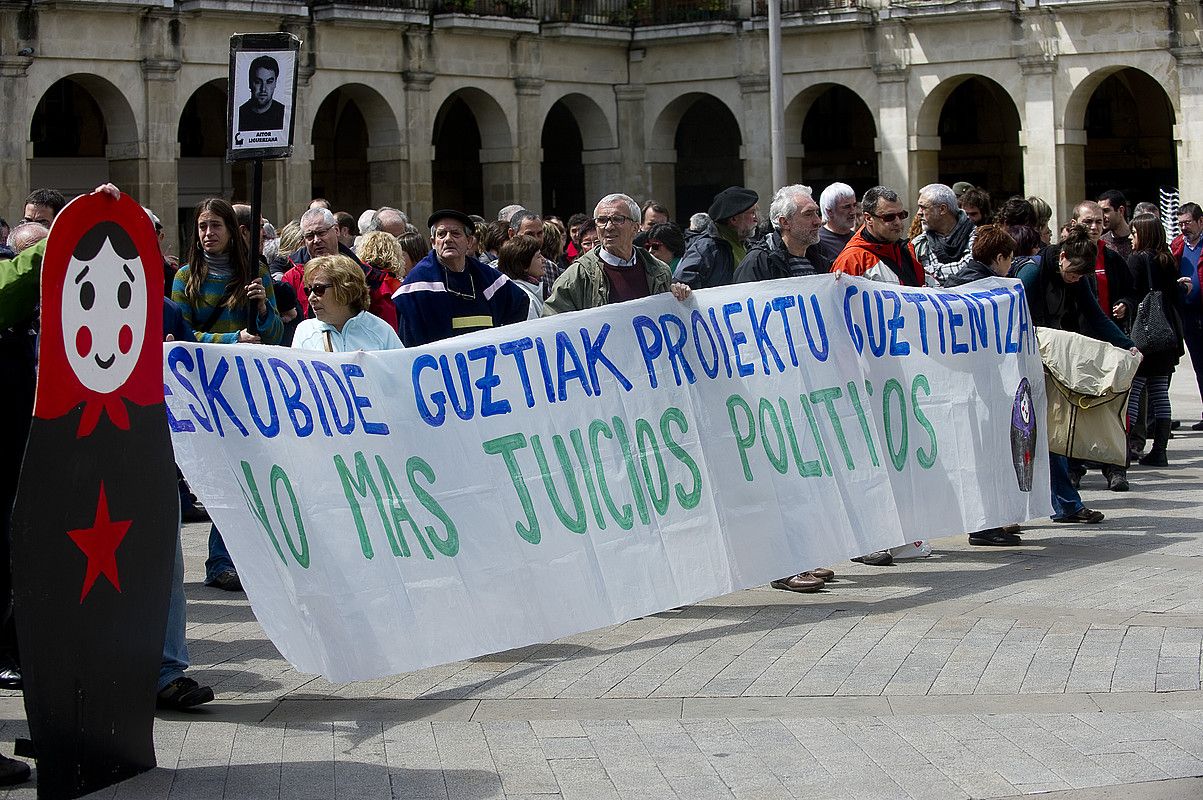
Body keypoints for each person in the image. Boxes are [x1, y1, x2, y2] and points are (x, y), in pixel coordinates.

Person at [171, 198, 283, 592]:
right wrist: (232, 338)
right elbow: (180, 335)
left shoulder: (256, 273)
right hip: (205, 389)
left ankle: (237, 558)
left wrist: (262, 307)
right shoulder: (187, 277)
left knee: (244, 474)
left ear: (231, 231)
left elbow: (274, 336)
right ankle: (220, 560)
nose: (208, 234)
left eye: (215, 226)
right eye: (202, 226)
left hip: (245, 388)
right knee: (218, 475)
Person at [832, 186, 925, 566]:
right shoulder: (852, 261)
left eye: (901, 215)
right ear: (867, 219)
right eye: (889, 217)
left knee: (902, 456)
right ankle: (867, 539)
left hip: (902, 372)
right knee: (872, 460)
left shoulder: (904, 250)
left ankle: (903, 532)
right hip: (869, 374)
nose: (898, 222)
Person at [1020, 224, 1136, 522]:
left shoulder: (1077, 278)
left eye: (1081, 275)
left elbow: (1095, 315)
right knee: (1038, 434)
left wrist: (1127, 346)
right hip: (1025, 360)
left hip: (1050, 360)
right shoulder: (1032, 274)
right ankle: (1055, 506)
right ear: (1061, 257)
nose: (1075, 279)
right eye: (1072, 272)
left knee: (1053, 432)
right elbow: (1017, 321)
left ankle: (1066, 505)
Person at [394, 209, 530, 346]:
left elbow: (520, 302)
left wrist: (504, 342)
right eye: (441, 234)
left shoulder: (487, 278)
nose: (448, 239)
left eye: (455, 233)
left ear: (469, 242)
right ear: (433, 243)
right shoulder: (416, 285)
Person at [544, 193, 691, 314]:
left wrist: (678, 296)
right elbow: (553, 326)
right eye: (601, 220)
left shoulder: (659, 271)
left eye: (617, 219)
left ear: (636, 227)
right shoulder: (576, 278)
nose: (608, 227)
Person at [1125, 215, 1186, 470]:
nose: (1131, 237)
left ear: (1144, 234)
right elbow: (1173, 294)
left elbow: (1132, 292)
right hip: (1165, 334)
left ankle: (1125, 450)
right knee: (1161, 392)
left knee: (1134, 392)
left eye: (1134, 232)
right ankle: (1160, 450)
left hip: (1144, 334)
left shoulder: (1136, 260)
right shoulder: (1167, 260)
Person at [292, 255, 403, 352]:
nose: (311, 298)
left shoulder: (380, 331)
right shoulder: (305, 332)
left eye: (318, 289)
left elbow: (402, 372)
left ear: (345, 289)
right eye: (308, 290)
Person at [734, 184, 823, 282]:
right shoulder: (758, 262)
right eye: (808, 214)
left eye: (817, 213)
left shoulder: (819, 259)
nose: (818, 221)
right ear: (785, 222)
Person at [675, 186, 759, 289]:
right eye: (752, 213)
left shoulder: (749, 245)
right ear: (733, 219)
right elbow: (681, 283)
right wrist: (682, 288)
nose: (756, 218)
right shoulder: (706, 248)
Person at [1171, 202, 1203, 430]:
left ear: (1200, 222)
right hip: (1187, 315)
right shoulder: (1177, 245)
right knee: (1199, 365)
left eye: (1188, 223)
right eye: (1180, 224)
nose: (1184, 228)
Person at [913, 182, 976, 285]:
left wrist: (930, 271)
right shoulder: (919, 245)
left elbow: (972, 267)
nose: (919, 213)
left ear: (942, 209)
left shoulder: (977, 236)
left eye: (923, 207)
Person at [496, 235, 547, 319]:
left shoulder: (529, 291)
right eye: (538, 256)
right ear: (523, 265)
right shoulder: (524, 298)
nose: (544, 259)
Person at [238, 54, 286, 131]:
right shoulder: (238, 114)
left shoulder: (284, 113)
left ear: (275, 83)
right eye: (258, 82)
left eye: (269, 82)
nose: (263, 89)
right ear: (250, 82)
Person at [817, 182, 857, 264]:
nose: (853, 212)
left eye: (854, 205)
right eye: (847, 207)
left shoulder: (858, 238)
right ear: (830, 211)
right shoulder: (817, 242)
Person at [1098, 189, 1133, 259]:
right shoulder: (1102, 243)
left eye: (1106, 211)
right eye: (1100, 212)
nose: (1102, 216)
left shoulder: (1137, 239)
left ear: (1120, 210)